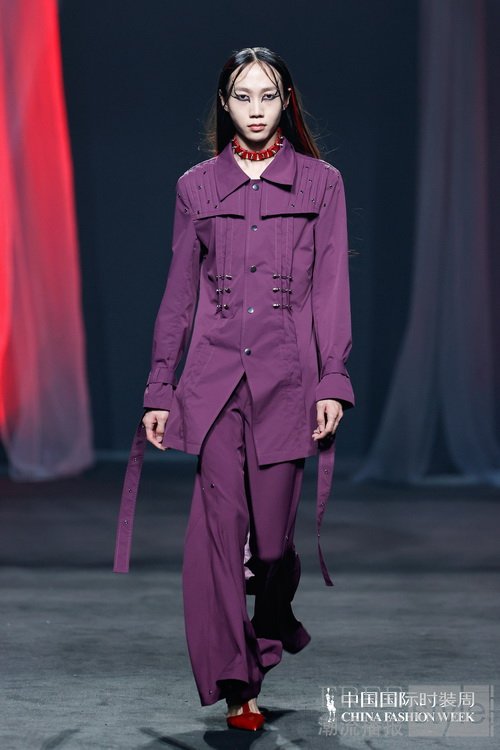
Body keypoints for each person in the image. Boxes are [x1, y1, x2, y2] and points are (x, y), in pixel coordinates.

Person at [113, 46, 355, 732]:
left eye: (267, 96)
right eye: (242, 96)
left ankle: (272, 621)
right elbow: (178, 295)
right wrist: (159, 386)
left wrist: (332, 377)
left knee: (271, 547)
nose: (255, 109)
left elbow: (331, 289)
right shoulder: (196, 187)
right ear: (225, 103)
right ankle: (235, 685)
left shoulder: (321, 184)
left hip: (287, 381)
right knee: (217, 538)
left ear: (286, 102)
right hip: (215, 383)